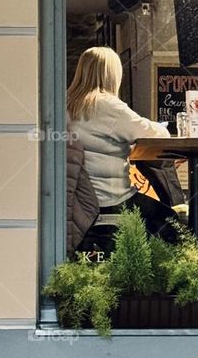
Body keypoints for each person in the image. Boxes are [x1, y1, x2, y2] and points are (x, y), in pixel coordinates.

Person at [67, 46, 181, 242]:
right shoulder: (108, 105)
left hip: (80, 200)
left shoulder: (67, 103)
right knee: (171, 222)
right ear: (112, 74)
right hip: (112, 198)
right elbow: (154, 133)